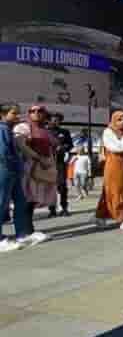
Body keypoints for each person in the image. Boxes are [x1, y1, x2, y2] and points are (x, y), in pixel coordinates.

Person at [0, 103, 48, 251]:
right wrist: (14, 166)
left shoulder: (8, 129)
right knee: (2, 203)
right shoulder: (1, 129)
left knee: (20, 202)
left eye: (18, 113)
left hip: (14, 172)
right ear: (2, 114)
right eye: (14, 113)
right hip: (5, 171)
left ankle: (22, 234)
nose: (17, 116)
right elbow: (3, 154)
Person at [13, 105, 57, 238]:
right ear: (29, 114)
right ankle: (25, 232)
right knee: (26, 198)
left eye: (40, 111)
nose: (37, 113)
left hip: (41, 167)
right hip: (27, 167)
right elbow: (22, 146)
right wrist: (39, 158)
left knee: (33, 199)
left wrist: (49, 163)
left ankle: (29, 230)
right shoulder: (23, 127)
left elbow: (52, 146)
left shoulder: (44, 130)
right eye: (33, 111)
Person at [96, 111, 123, 230]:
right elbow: (118, 147)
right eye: (119, 120)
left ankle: (100, 216)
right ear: (113, 120)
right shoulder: (108, 132)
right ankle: (122, 218)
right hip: (113, 165)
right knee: (115, 190)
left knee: (121, 189)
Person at [47, 112, 73, 217]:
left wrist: (63, 147)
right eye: (52, 119)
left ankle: (64, 208)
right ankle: (52, 209)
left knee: (62, 185)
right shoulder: (45, 132)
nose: (55, 121)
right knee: (50, 187)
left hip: (60, 162)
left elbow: (70, 145)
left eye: (57, 120)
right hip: (47, 163)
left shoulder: (65, 132)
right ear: (48, 120)